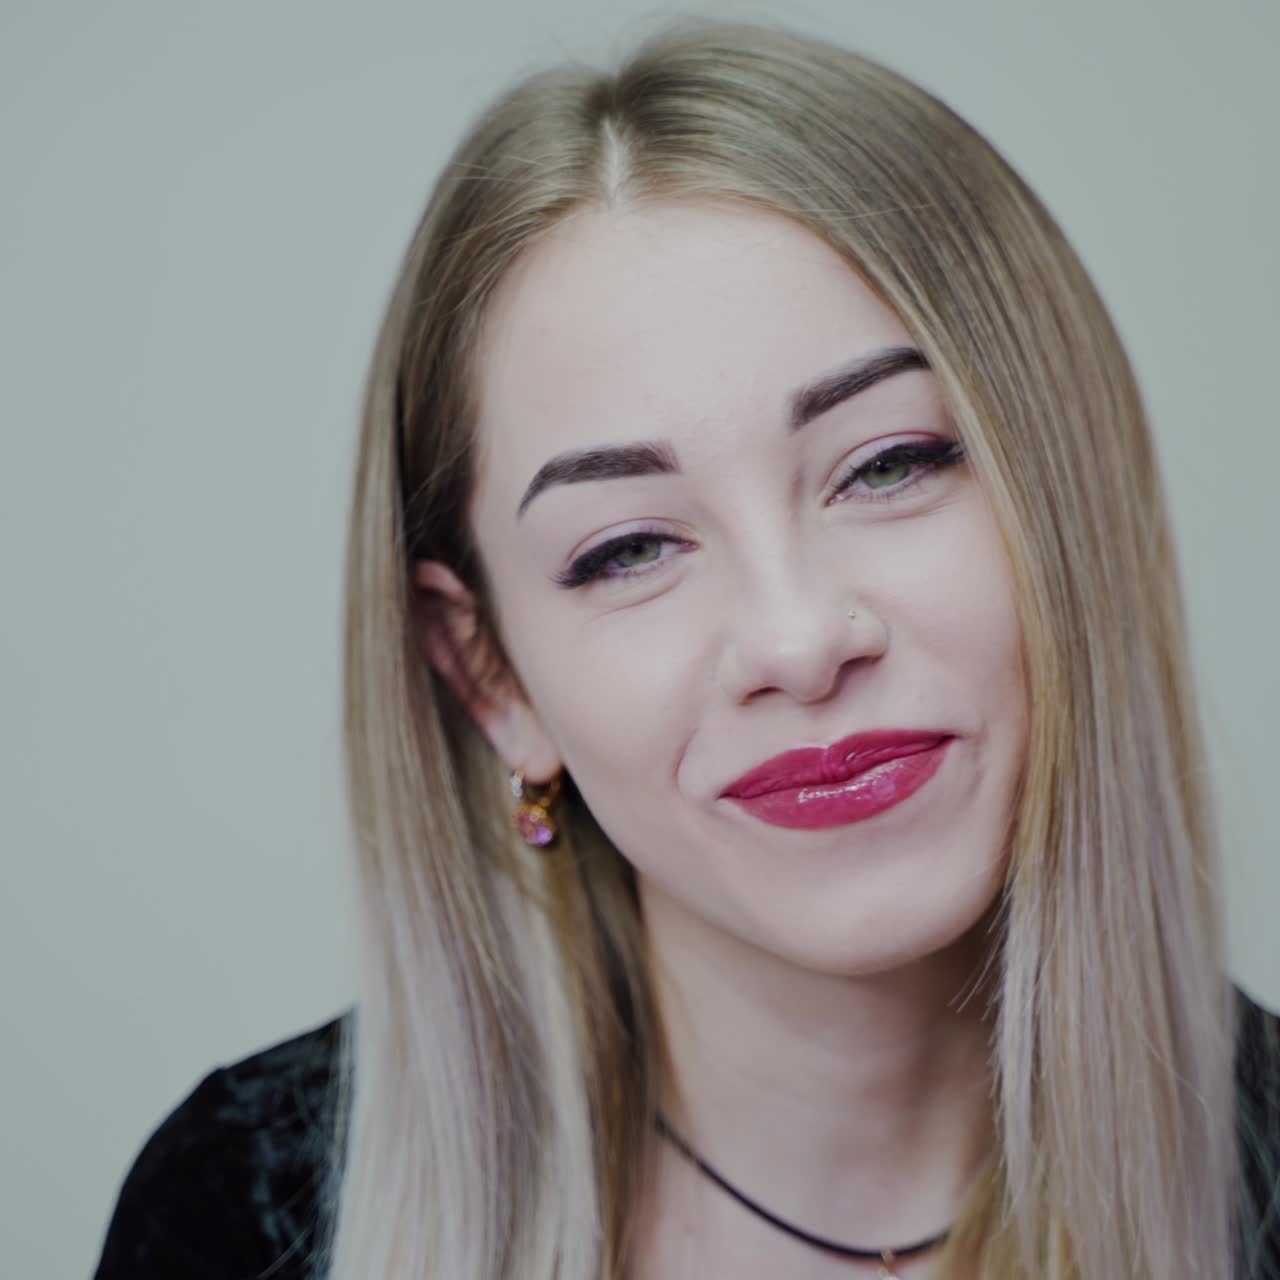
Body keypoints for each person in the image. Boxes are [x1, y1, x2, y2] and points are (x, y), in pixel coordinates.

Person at [94, 19, 1280, 1280]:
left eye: (888, 464)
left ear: (1069, 502)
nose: (795, 638)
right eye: (626, 550)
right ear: (487, 674)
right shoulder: (239, 1216)